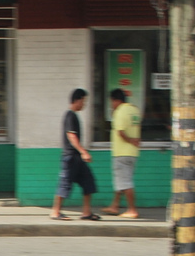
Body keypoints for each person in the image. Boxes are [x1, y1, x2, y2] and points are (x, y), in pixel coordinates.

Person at [50, 88, 99, 221]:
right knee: (65, 184)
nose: (84, 104)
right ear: (77, 100)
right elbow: (71, 136)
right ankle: (55, 212)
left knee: (88, 182)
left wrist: (81, 153)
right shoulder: (70, 115)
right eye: (83, 101)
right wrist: (84, 152)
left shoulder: (74, 115)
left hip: (77, 158)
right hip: (70, 157)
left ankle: (86, 213)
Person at [102, 88, 141, 218]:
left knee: (125, 182)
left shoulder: (120, 111)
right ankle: (115, 206)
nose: (111, 105)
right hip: (133, 153)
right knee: (121, 181)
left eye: (112, 102)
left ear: (116, 100)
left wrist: (129, 140)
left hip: (121, 152)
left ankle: (132, 209)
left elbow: (120, 131)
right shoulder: (134, 110)